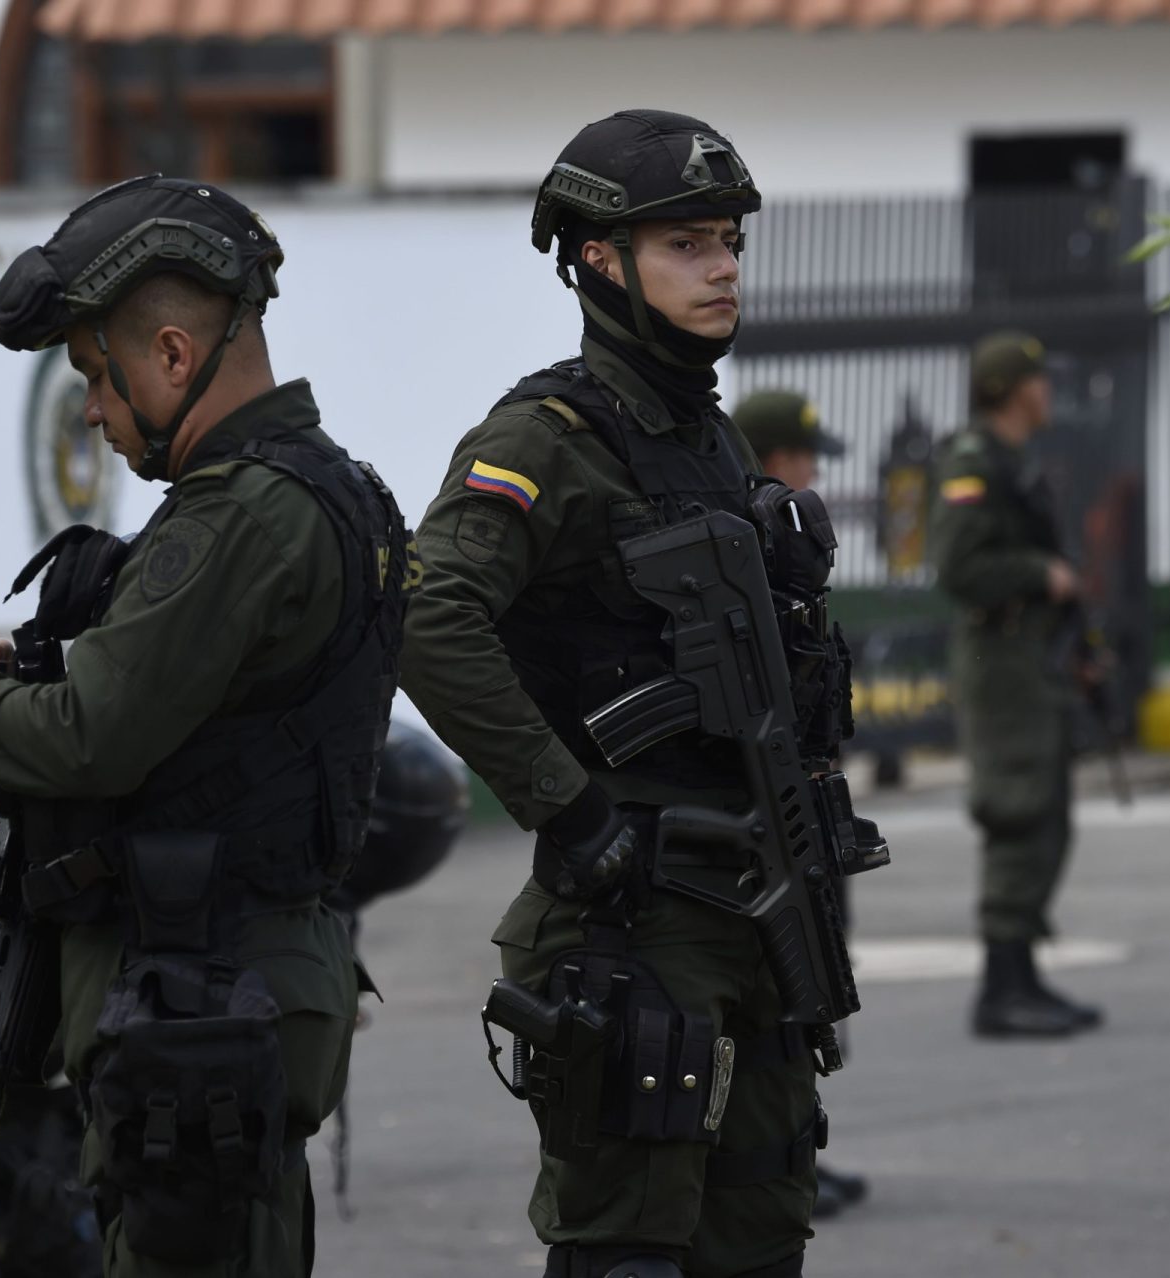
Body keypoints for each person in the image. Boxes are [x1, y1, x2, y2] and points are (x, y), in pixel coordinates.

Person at [0, 176, 411, 1276]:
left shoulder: (239, 516)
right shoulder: (324, 490)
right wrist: (18, 666)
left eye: (95, 383)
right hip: (224, 997)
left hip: (200, 1003)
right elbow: (193, 703)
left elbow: (88, 739)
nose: (95, 417)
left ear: (168, 355)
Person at [403, 110, 852, 1278]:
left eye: (728, 244)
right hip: (633, 914)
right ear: (600, 261)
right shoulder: (548, 436)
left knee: (757, 1242)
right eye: (687, 245)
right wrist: (565, 804)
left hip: (751, 904)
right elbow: (426, 612)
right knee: (628, 1251)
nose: (723, 270)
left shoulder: (711, 441)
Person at [928, 331, 1105, 1039]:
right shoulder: (974, 462)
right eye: (1040, 379)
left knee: (1048, 816)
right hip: (1002, 669)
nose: (1049, 391)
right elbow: (957, 569)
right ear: (1012, 390)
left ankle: (1023, 974)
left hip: (1031, 662)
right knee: (1018, 812)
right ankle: (1001, 990)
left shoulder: (1014, 461)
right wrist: (1041, 575)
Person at [729, 388, 869, 1221]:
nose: (815, 474)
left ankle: (795, 1147)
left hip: (801, 791)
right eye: (807, 456)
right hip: (759, 802)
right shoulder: (744, 534)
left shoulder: (782, 537)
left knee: (809, 973)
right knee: (778, 981)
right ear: (776, 455)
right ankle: (771, 1156)